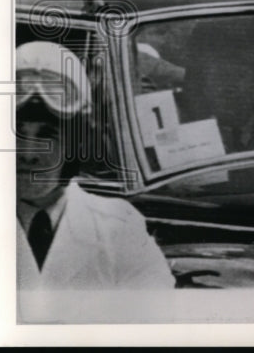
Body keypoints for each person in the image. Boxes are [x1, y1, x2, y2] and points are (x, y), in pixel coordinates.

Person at [15, 41, 175, 291]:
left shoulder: (120, 229)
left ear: (76, 142)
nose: (28, 153)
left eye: (48, 134)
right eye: (19, 133)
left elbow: (155, 321)